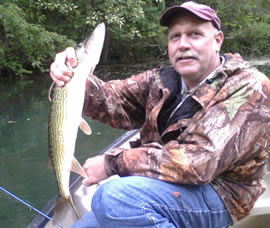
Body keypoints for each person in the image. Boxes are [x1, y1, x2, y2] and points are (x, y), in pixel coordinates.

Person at [50, 1, 270, 228]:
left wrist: (112, 163)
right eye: (175, 36)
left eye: (194, 34)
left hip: (221, 195)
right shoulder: (162, 80)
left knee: (112, 198)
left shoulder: (249, 87)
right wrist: (72, 77)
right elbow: (113, 101)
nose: (183, 44)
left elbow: (198, 163)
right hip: (159, 183)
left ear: (217, 41)